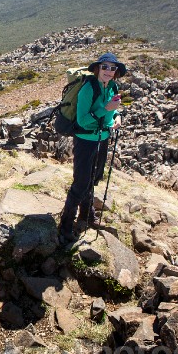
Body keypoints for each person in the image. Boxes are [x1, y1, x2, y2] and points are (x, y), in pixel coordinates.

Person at [59, 52, 126, 242]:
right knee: (80, 183)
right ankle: (65, 225)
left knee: (94, 178)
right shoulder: (88, 89)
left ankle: (87, 215)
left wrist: (116, 117)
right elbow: (83, 120)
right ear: (97, 68)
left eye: (113, 68)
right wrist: (106, 109)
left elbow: (110, 112)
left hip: (102, 137)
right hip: (86, 139)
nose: (109, 71)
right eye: (105, 67)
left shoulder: (112, 87)